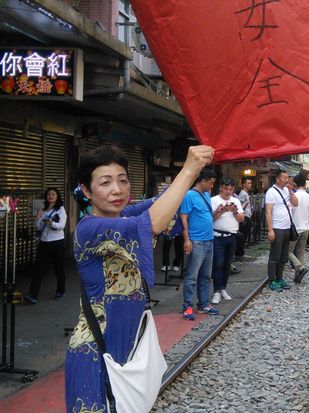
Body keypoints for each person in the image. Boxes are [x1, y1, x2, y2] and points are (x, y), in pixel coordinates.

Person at [65, 144, 213, 412]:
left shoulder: (124, 215)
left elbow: (162, 204)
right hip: (95, 349)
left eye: (123, 180)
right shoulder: (89, 228)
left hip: (128, 342)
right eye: (105, 183)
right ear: (86, 191)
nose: (117, 189)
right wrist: (189, 169)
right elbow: (152, 223)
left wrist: (195, 169)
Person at [179, 167, 220, 320]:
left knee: (206, 275)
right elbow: (183, 218)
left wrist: (219, 211)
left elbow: (207, 215)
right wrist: (186, 239)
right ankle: (187, 306)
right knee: (192, 276)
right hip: (196, 241)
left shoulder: (206, 194)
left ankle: (203, 304)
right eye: (211, 183)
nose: (212, 186)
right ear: (203, 181)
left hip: (209, 240)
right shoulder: (189, 196)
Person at [25, 187, 67, 304]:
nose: (50, 196)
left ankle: (60, 290)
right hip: (43, 242)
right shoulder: (42, 210)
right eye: (49, 194)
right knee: (38, 268)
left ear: (57, 196)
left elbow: (61, 225)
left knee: (59, 268)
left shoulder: (60, 210)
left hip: (57, 242)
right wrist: (38, 218)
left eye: (53, 194)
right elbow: (38, 227)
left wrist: (51, 223)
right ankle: (33, 294)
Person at [210, 177, 244, 304]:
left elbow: (241, 219)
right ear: (221, 188)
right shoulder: (213, 200)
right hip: (217, 236)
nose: (228, 191)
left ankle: (223, 288)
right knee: (218, 264)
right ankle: (217, 291)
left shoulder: (236, 201)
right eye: (226, 188)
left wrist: (234, 212)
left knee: (227, 264)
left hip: (232, 236)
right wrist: (223, 210)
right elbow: (211, 219)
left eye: (230, 189)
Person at [265, 169, 299, 291]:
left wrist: (290, 191)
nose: (287, 180)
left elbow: (296, 203)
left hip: (287, 228)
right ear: (277, 179)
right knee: (275, 256)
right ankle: (272, 280)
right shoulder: (271, 192)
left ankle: (279, 278)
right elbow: (268, 211)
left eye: (287, 177)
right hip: (277, 228)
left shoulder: (286, 190)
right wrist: (270, 230)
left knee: (283, 256)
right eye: (284, 178)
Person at [288, 173, 309, 283]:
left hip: (294, 228)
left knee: (287, 251)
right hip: (306, 228)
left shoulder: (293, 196)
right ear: (305, 183)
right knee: (300, 252)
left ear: (295, 183)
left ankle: (300, 267)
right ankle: (298, 275)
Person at [235, 177, 253, 257]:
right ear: (243, 184)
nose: (250, 185)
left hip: (247, 216)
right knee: (243, 234)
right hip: (244, 216)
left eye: (250, 183)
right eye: (248, 183)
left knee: (245, 234)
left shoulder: (246, 193)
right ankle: (239, 251)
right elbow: (240, 205)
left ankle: (240, 250)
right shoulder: (243, 193)